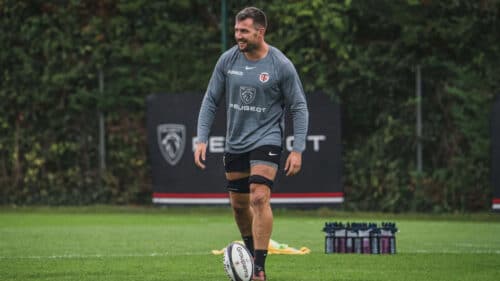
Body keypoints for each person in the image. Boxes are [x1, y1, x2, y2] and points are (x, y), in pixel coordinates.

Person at [194, 7, 308, 281]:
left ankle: (258, 268)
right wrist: (201, 138)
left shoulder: (280, 65)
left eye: (244, 31)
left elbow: (299, 107)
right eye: (236, 30)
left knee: (259, 196)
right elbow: (210, 100)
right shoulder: (227, 60)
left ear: (260, 31)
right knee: (239, 205)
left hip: (266, 138)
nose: (238, 36)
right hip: (236, 142)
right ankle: (248, 256)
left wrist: (297, 148)